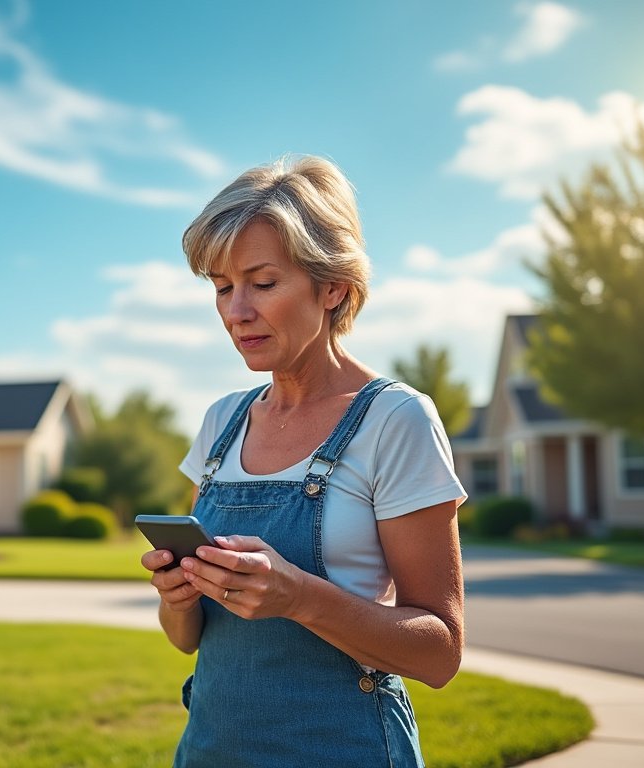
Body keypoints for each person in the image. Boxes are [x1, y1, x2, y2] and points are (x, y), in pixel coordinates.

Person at [141, 155, 466, 767]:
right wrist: (177, 597)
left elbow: (440, 653)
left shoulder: (395, 420)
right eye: (222, 287)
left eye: (262, 283)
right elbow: (188, 643)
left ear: (333, 285)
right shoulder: (221, 421)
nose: (237, 311)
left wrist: (297, 597)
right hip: (212, 752)